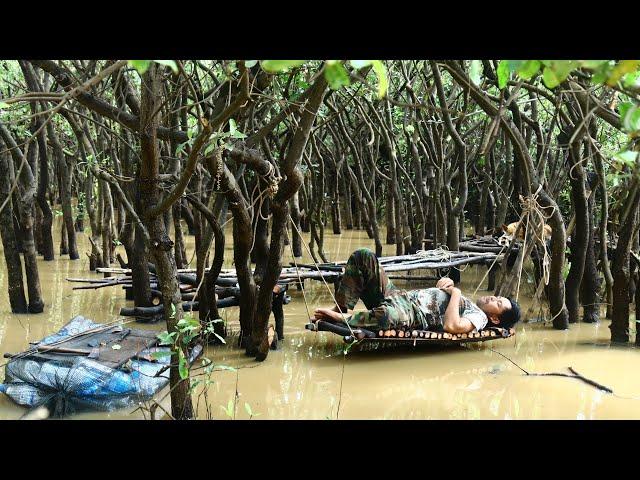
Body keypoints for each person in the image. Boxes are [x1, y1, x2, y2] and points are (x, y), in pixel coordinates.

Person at [313, 248, 520, 334]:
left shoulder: (480, 318)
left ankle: (342, 319)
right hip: (401, 297)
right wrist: (445, 285)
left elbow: (451, 325)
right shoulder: (471, 305)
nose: (494, 297)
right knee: (363, 256)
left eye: (498, 303)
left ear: (494, 319)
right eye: (498, 297)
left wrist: (455, 293)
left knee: (386, 316)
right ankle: (340, 308)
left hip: (412, 314)